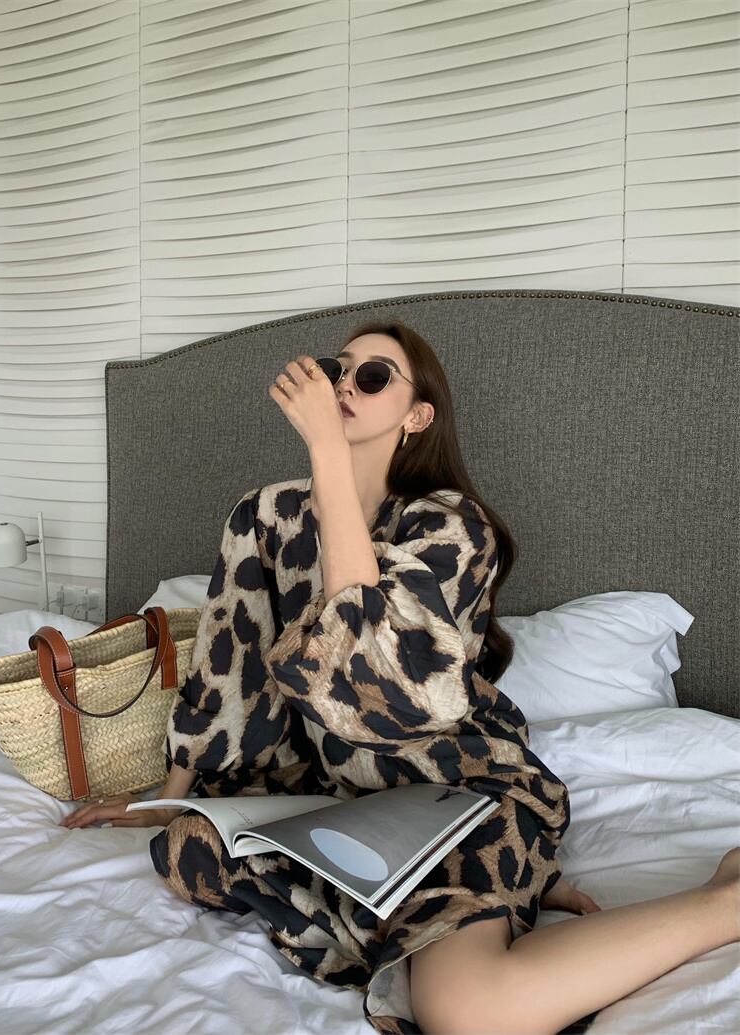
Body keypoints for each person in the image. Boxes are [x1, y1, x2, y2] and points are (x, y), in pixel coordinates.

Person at [60, 320, 739, 1035]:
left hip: (452, 786)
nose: (344, 385)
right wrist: (168, 798)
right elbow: (230, 664)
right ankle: (494, 903)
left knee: (466, 1011)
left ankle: (721, 900)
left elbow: (384, 680)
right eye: (338, 369)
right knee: (189, 849)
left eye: (374, 376)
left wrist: (327, 451)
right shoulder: (264, 518)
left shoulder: (453, 529)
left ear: (418, 416)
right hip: (331, 793)